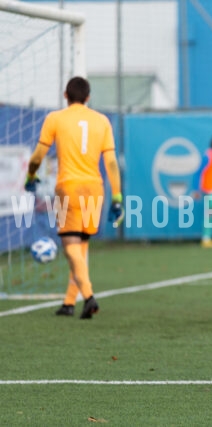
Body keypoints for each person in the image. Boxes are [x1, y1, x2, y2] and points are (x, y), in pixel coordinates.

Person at [24, 76, 123, 319]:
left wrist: (30, 175)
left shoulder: (55, 118)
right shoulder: (102, 121)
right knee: (80, 247)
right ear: (88, 97)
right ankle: (69, 302)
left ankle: (88, 297)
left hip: (68, 187)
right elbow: (110, 161)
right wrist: (117, 196)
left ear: (65, 95)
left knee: (70, 248)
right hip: (94, 188)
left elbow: (38, 154)